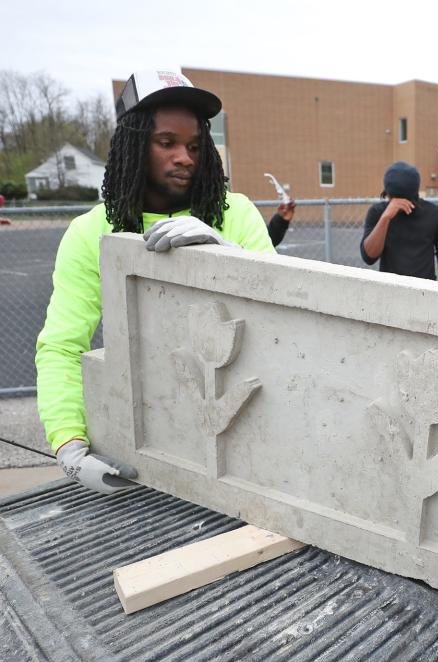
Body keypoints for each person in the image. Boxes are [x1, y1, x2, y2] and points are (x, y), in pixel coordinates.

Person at [35, 70, 275, 495]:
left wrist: (230, 256)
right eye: (167, 143)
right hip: (142, 436)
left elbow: (278, 323)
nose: (185, 157)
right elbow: (62, 345)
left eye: (195, 146)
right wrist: (68, 442)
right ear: (133, 143)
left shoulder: (235, 213)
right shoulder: (91, 232)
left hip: (239, 433)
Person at [361, 161, 438, 282]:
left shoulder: (436, 214)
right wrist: (385, 218)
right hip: (390, 287)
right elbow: (369, 257)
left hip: (424, 290)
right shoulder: (378, 212)